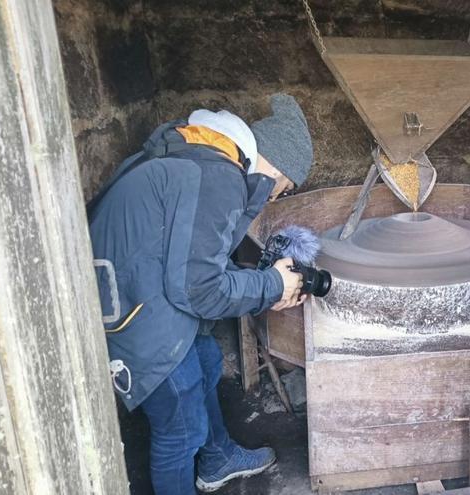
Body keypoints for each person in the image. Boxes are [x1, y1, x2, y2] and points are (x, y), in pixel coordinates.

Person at [89, 93, 314, 493]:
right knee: (180, 428)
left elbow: (193, 258)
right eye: (282, 188)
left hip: (136, 294)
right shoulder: (219, 177)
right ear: (275, 168)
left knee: (207, 359)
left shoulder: (200, 157)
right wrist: (273, 286)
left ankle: (216, 459)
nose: (274, 197)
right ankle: (196, 461)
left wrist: (259, 282)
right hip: (136, 316)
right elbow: (200, 290)